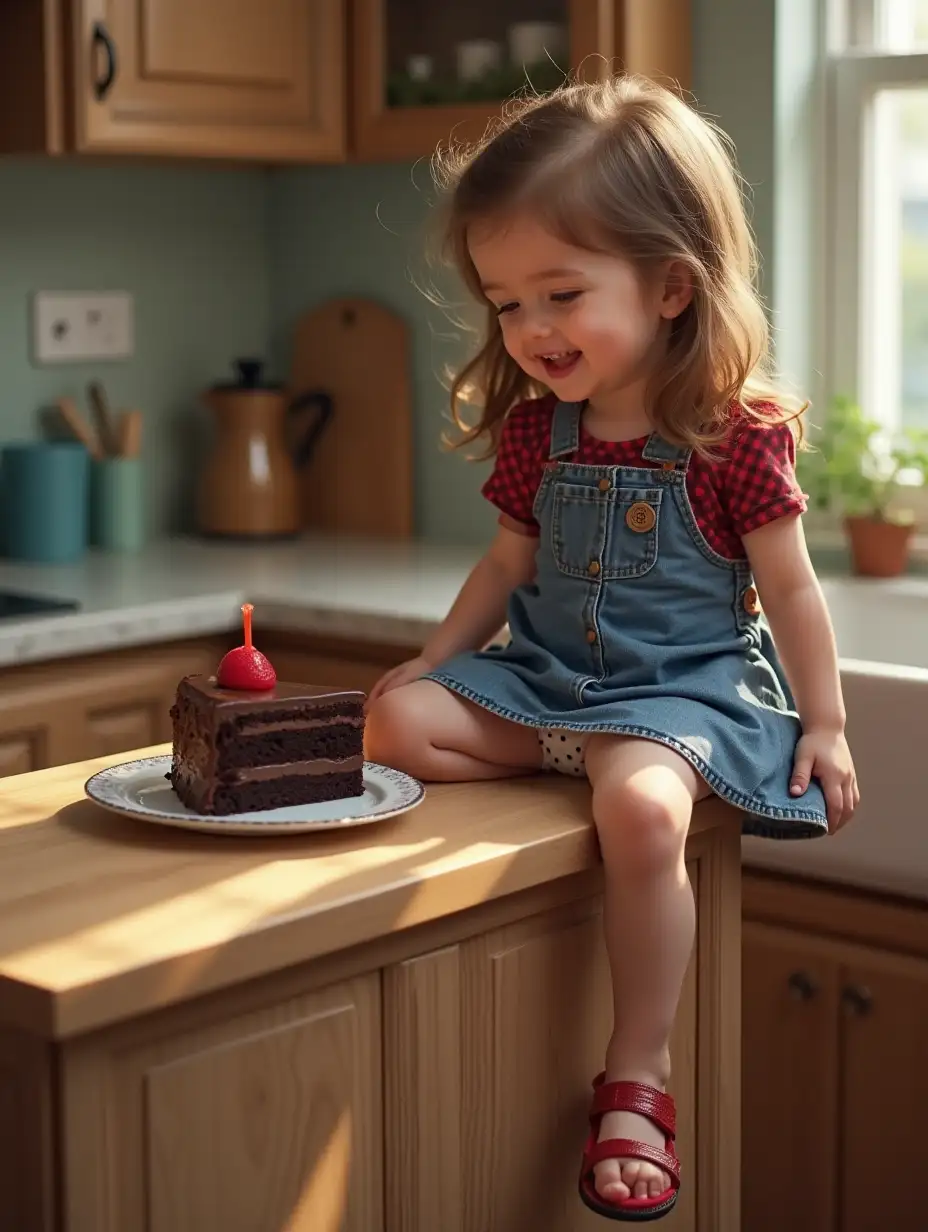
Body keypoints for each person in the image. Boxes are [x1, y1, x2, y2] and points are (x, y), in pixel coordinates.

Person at [365, 73, 858, 1223]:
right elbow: (505, 567)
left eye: (560, 293)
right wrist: (432, 659)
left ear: (672, 285)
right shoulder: (539, 427)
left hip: (679, 689)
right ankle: (575, 750)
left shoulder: (733, 436)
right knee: (394, 721)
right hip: (548, 678)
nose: (529, 330)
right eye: (505, 303)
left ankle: (639, 1070)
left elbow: (790, 588)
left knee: (640, 812)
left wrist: (827, 720)